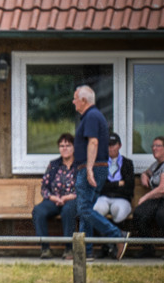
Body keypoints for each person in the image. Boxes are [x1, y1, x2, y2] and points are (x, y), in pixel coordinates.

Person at [72, 86, 128, 261]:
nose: (73, 102)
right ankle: (85, 252)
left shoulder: (91, 116)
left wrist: (89, 168)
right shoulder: (93, 116)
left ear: (83, 100)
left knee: (84, 209)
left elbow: (94, 143)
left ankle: (116, 235)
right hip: (95, 167)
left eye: (75, 98)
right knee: (85, 210)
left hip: (92, 168)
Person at [33, 133, 78, 259]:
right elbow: (44, 187)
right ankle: (45, 248)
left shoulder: (79, 165)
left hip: (72, 200)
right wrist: (53, 198)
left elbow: (83, 188)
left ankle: (69, 249)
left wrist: (67, 197)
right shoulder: (53, 164)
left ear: (74, 147)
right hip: (54, 200)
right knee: (38, 210)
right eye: (61, 146)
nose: (64, 148)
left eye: (68, 145)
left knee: (68, 211)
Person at [92, 132, 135, 258]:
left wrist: (110, 185)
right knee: (95, 211)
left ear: (120, 145)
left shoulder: (127, 163)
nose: (111, 148)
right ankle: (112, 244)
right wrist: (117, 184)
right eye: (108, 145)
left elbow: (129, 186)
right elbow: (99, 187)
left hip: (122, 198)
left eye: (113, 145)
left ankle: (108, 246)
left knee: (119, 210)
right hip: (103, 197)